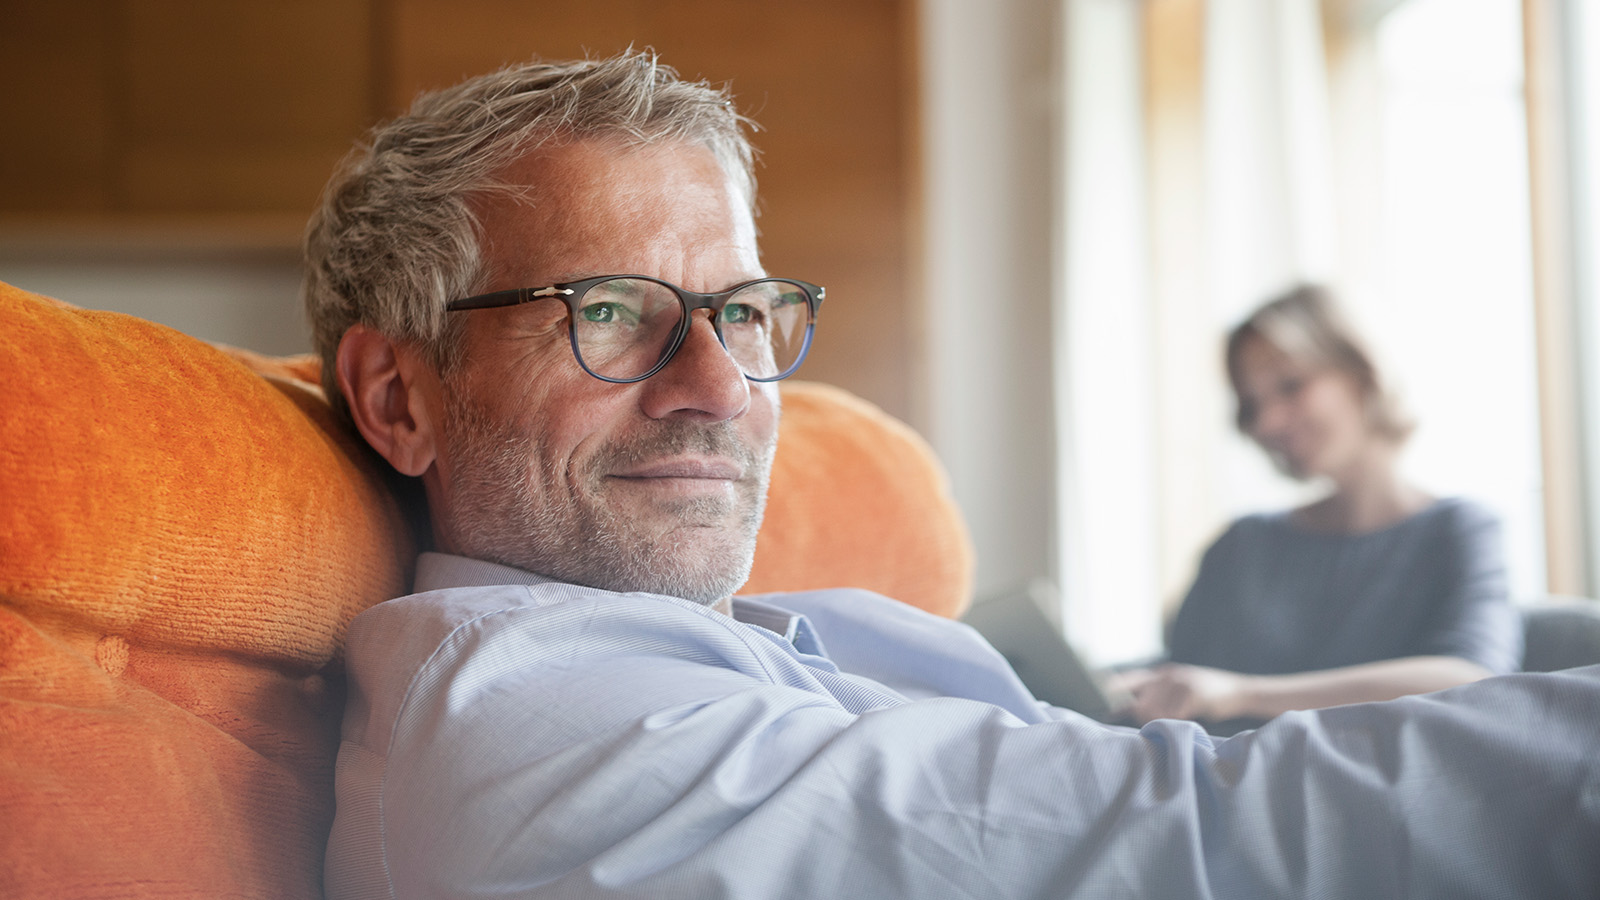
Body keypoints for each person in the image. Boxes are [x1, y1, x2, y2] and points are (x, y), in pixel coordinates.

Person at [307, 51, 1599, 899]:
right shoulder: (534, 731)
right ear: (398, 398)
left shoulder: (695, 648)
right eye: (610, 312)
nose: (718, 388)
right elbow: (1187, 840)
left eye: (742, 312)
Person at [1110, 287, 1522, 733]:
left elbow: (1472, 680)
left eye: (1290, 385)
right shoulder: (1242, 544)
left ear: (1361, 373)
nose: (1266, 423)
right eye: (1252, 405)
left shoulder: (1457, 530)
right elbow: (1180, 674)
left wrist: (1243, 693)